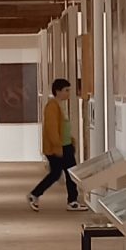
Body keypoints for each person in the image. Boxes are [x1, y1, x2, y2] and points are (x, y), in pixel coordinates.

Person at [29, 77, 80, 210]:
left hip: (65, 145)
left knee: (64, 173)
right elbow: (51, 129)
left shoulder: (59, 105)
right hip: (60, 147)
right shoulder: (52, 106)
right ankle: (71, 201)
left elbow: (62, 127)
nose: (68, 93)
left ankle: (36, 194)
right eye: (66, 90)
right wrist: (58, 146)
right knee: (64, 174)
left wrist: (70, 140)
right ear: (58, 91)